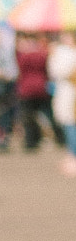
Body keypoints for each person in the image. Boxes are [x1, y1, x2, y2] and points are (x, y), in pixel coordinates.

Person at [47, 30, 76, 176]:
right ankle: (71, 154)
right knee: (67, 123)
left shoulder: (66, 53)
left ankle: (73, 156)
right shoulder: (61, 52)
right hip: (66, 92)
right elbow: (54, 71)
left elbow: (60, 71)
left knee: (71, 124)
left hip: (71, 93)